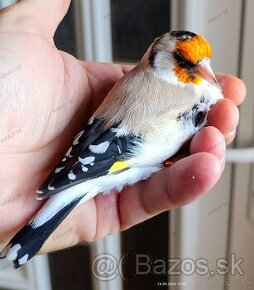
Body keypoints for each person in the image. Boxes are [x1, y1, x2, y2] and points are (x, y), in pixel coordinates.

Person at [0, 0, 246, 255]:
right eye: (184, 60)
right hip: (114, 163)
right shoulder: (186, 96)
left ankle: (16, 248)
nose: (202, 69)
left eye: (205, 60)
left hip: (101, 157)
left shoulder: (138, 81)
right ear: (158, 56)